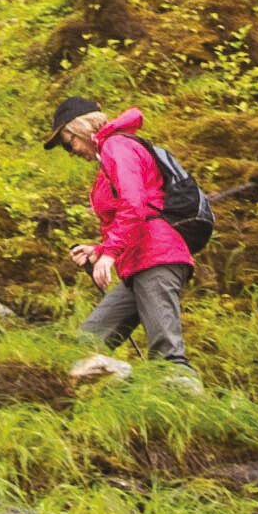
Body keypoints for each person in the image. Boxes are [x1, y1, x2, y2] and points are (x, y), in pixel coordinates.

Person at [61, 98, 200, 384]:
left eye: (68, 142)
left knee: (168, 356)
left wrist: (110, 253)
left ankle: (185, 412)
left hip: (157, 257)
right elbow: (135, 212)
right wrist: (99, 251)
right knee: (89, 341)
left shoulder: (117, 146)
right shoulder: (110, 157)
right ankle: (98, 401)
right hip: (136, 261)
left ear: (82, 129)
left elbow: (135, 205)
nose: (71, 152)